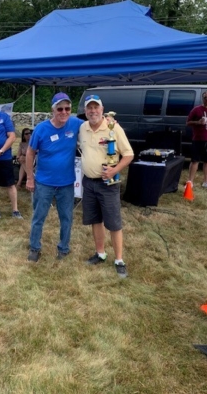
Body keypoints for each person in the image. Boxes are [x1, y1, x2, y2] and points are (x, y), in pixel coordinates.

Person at [78, 94, 134, 278]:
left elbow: (129, 154)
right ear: (85, 111)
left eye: (96, 107)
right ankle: (100, 253)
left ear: (102, 110)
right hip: (89, 183)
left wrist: (114, 170)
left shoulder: (113, 127)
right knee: (95, 220)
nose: (93, 111)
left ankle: (119, 260)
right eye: (89, 108)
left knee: (114, 223)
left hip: (107, 184)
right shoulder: (82, 127)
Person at [26, 92, 83, 262]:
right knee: (38, 217)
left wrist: (109, 121)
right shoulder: (41, 129)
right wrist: (30, 177)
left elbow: (94, 124)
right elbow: (30, 153)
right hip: (44, 183)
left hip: (66, 183)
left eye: (67, 108)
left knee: (66, 218)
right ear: (53, 110)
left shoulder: (75, 123)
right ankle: (35, 247)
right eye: (60, 108)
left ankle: (64, 248)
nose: (64, 112)